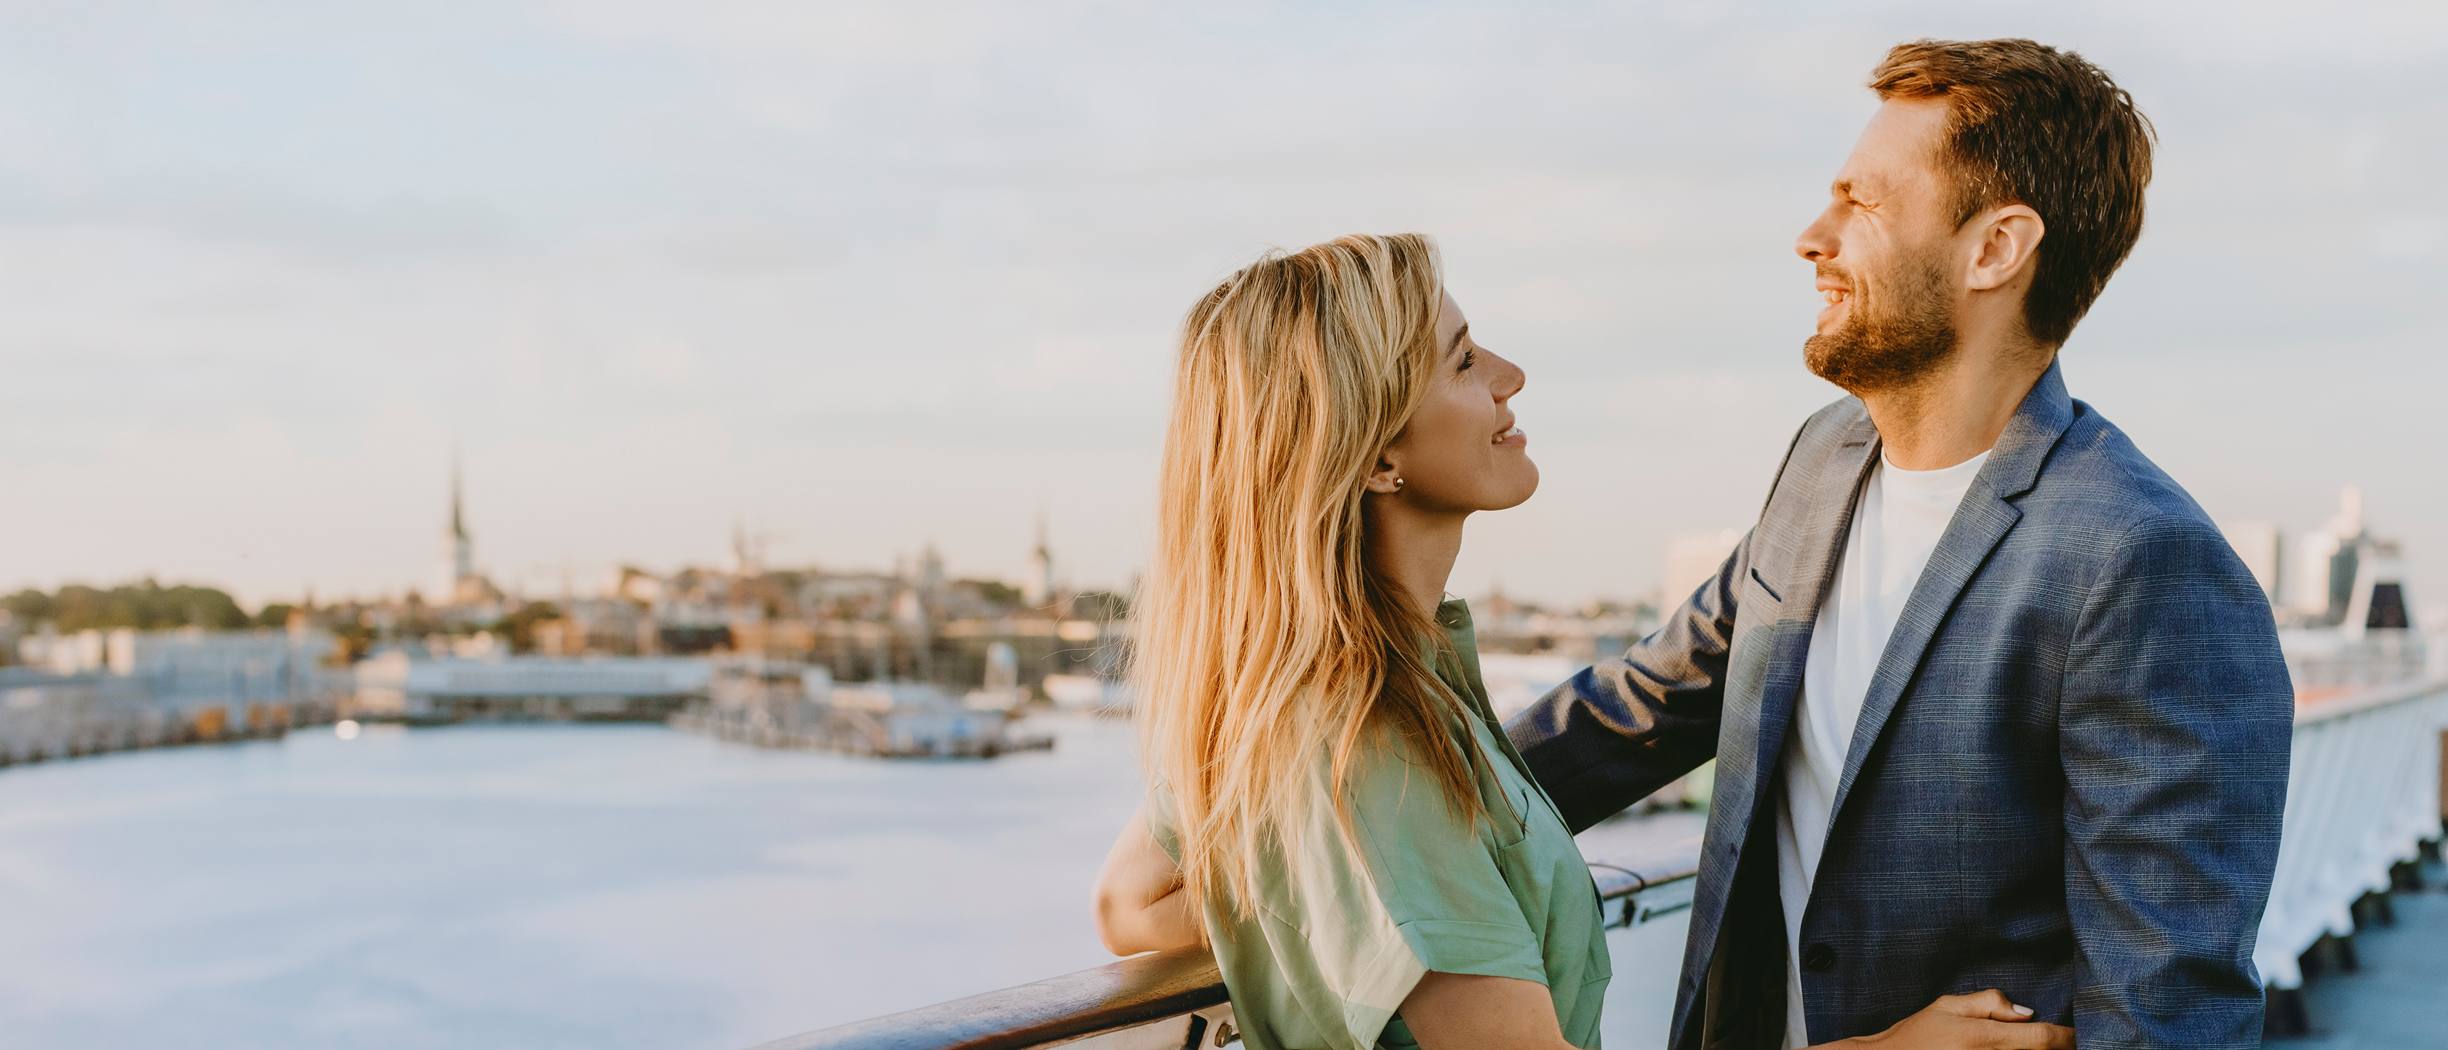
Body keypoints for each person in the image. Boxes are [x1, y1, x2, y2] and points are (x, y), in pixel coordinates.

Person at [1093, 233, 2072, 1050]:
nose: (1512, 377)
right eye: (1465, 361)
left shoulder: (1319, 691)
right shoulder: (1370, 741)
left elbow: (1133, 902)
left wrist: (1350, 922)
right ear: (1376, 451)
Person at [1506, 39, 2295, 1049]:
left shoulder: (2141, 560)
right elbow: (1644, 708)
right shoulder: (1824, 456)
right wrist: (1359, 819)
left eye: (1863, 203)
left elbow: (2168, 1010)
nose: (1811, 236)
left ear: (1995, 249)